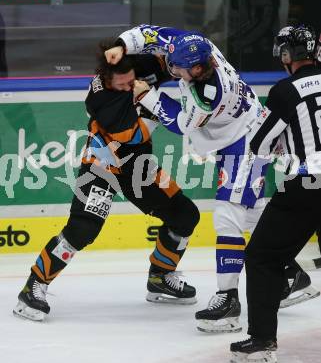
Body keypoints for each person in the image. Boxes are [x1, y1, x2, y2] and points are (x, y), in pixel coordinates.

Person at [104, 24, 319, 333]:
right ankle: (290, 276)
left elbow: (181, 124)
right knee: (252, 212)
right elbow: (153, 34)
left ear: (202, 68)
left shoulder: (209, 95)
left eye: (182, 69)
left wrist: (147, 95)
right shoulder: (195, 45)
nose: (174, 70)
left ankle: (228, 299)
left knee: (228, 216)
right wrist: (122, 44)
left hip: (245, 141)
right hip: (242, 133)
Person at [13, 42, 200, 322]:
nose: (128, 87)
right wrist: (155, 106)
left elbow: (169, 57)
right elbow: (135, 136)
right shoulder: (100, 99)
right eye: (122, 85)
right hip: (103, 163)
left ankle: (160, 277)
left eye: (131, 82)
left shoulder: (137, 67)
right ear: (105, 78)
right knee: (83, 229)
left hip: (139, 166)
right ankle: (34, 286)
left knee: (185, 215)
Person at [230, 24, 321, 363]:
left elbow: (261, 143)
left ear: (287, 55)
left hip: (307, 186)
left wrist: (284, 151)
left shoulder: (285, 90)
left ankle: (262, 342)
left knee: (262, 259)